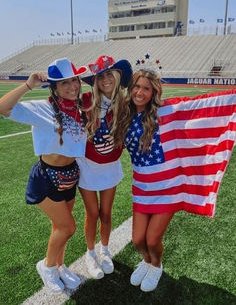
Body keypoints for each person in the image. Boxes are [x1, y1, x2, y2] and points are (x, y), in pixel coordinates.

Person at [117, 63, 236, 292]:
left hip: (168, 187)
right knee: (138, 240)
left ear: (154, 93)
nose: (140, 92)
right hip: (141, 187)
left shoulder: (166, 111)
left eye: (146, 89)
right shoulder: (124, 115)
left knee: (152, 240)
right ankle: (146, 261)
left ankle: (157, 265)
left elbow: (205, 107)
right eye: (137, 87)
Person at [0, 58, 88, 293]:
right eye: (64, 83)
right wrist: (28, 85)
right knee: (67, 227)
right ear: (55, 88)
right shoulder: (42, 108)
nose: (72, 86)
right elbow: (2, 108)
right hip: (47, 178)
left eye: (74, 80)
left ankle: (59, 266)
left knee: (58, 227)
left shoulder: (80, 110)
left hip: (70, 176)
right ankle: (47, 266)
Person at [76, 55, 132, 279]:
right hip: (87, 166)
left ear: (117, 77)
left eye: (110, 74)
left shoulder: (125, 105)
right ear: (96, 80)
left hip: (110, 166)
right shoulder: (86, 100)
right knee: (92, 213)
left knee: (106, 214)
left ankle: (105, 250)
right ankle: (90, 254)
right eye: (101, 75)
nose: (106, 79)